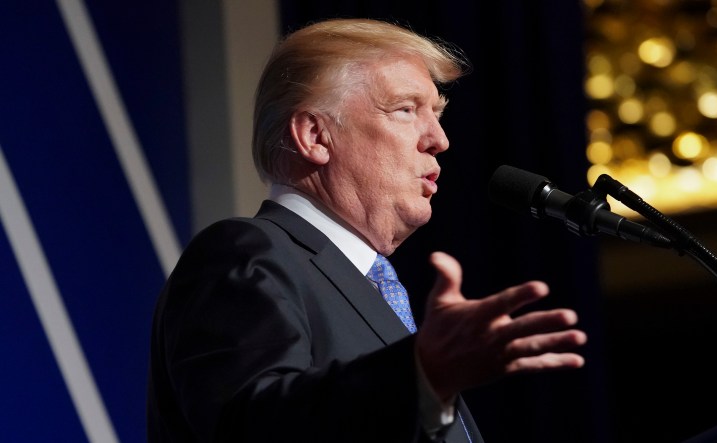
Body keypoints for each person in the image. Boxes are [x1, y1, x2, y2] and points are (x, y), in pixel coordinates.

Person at [147, 18, 587, 443]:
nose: (439, 139)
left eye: (435, 113)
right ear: (315, 136)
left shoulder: (369, 287)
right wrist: (423, 375)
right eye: (405, 109)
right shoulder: (244, 254)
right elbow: (254, 427)